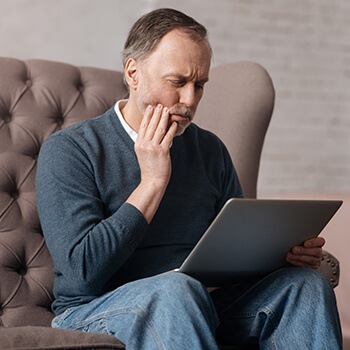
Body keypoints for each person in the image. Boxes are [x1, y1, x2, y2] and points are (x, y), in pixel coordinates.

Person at [36, 8, 342, 349]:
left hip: (198, 302)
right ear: (133, 73)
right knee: (175, 290)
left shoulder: (209, 149)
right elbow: (82, 274)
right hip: (94, 309)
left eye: (199, 85)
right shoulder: (70, 150)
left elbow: (232, 254)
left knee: (305, 285)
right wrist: (151, 182)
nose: (189, 100)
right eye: (177, 82)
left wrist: (283, 256)